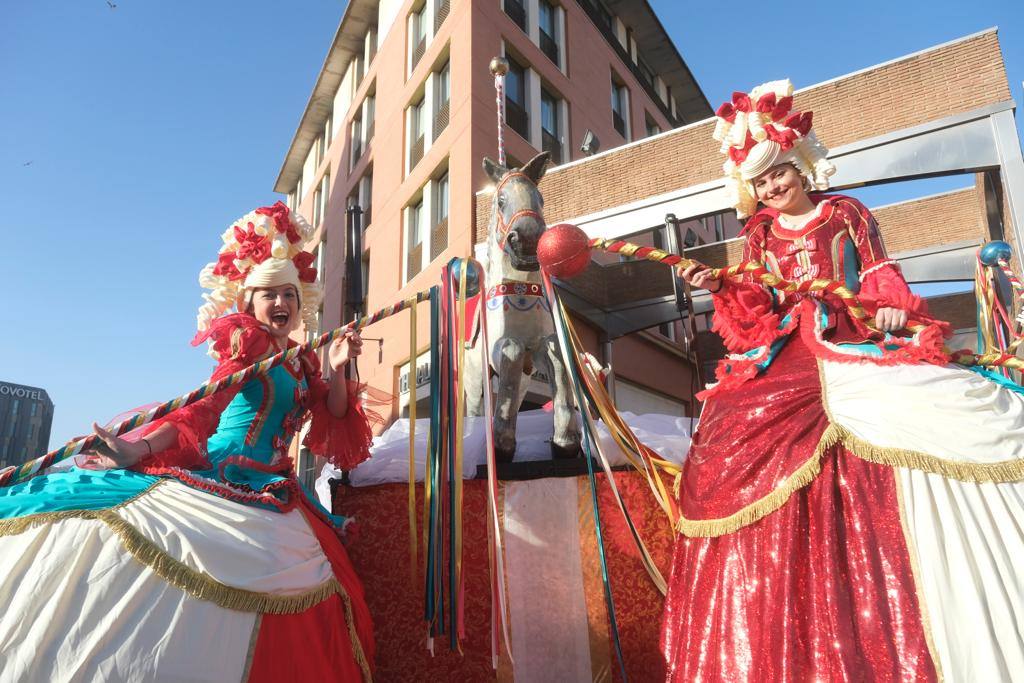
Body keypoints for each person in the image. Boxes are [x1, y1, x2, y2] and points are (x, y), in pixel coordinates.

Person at [661, 80, 1024, 681]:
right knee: (727, 422)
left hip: (851, 334)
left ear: (801, 163)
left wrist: (886, 308)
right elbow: (757, 303)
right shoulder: (757, 236)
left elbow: (880, 273)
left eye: (779, 171)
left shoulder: (846, 213)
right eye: (761, 180)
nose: (773, 186)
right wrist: (722, 285)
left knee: (934, 399)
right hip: (788, 347)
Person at [0, 202, 379, 681]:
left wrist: (339, 364)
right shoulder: (251, 345)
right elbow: (204, 409)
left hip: (279, 489)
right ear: (248, 302)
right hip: (228, 474)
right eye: (268, 295)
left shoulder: (302, 361)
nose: (280, 303)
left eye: (289, 294)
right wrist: (141, 449)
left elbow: (337, 414)